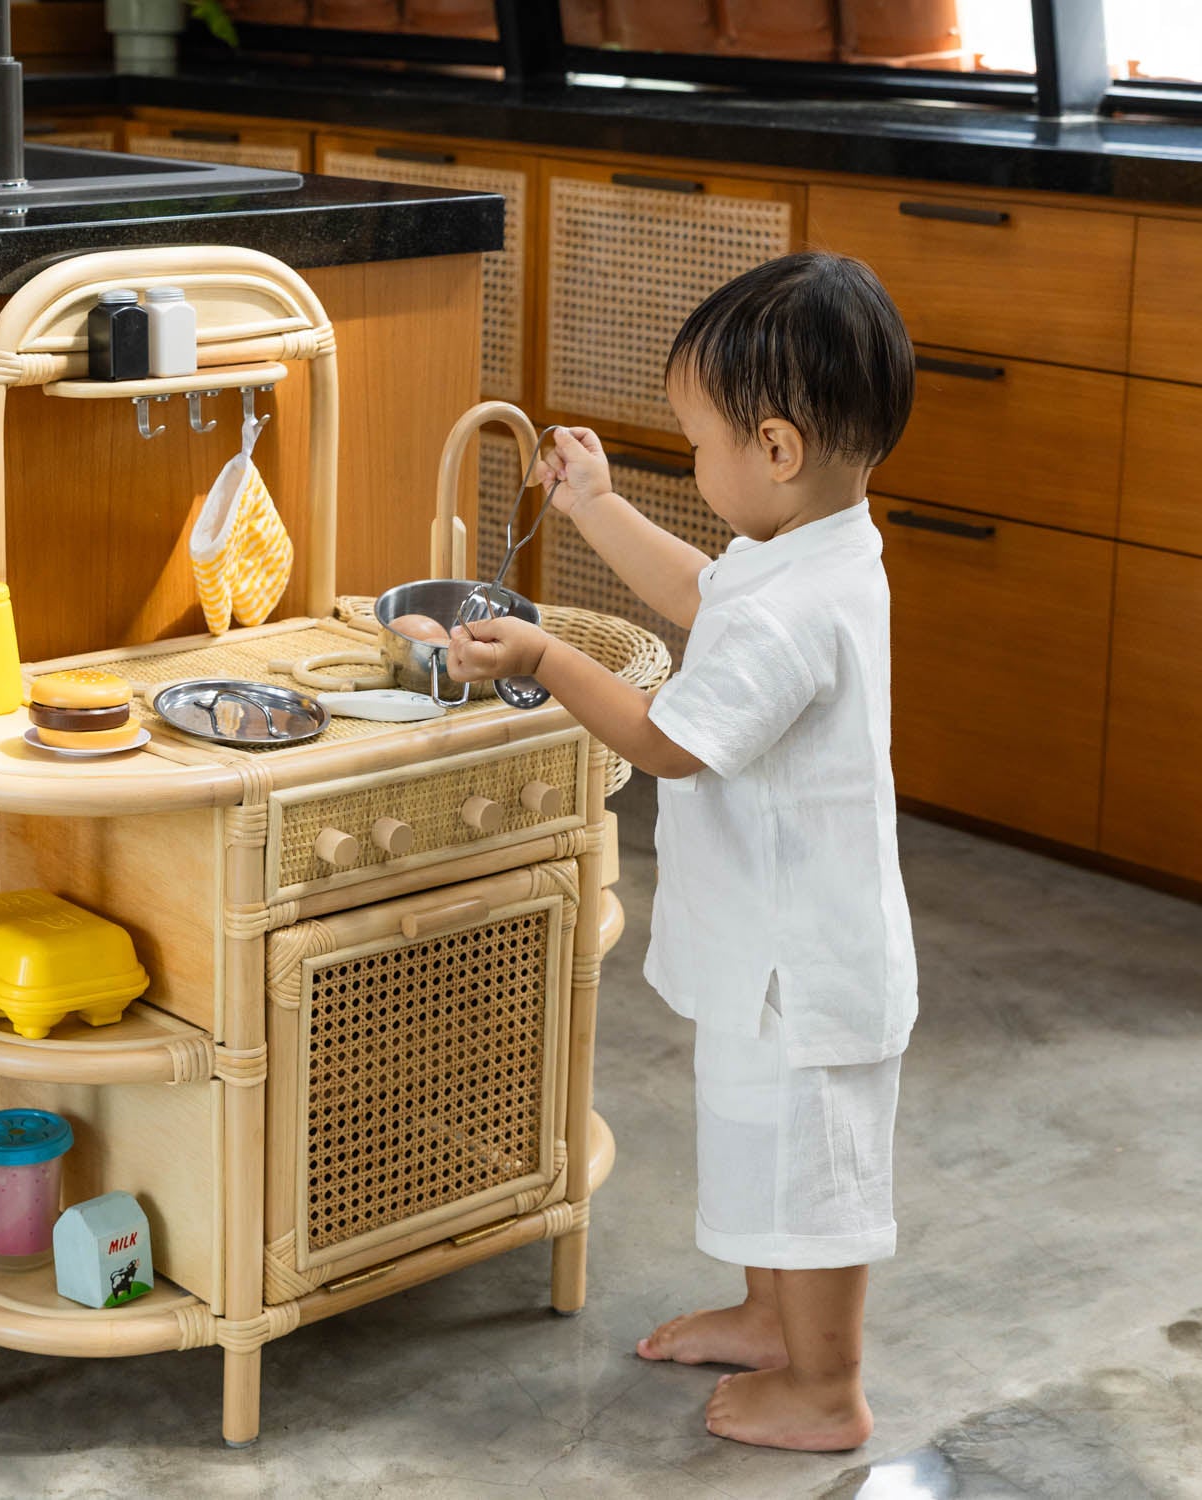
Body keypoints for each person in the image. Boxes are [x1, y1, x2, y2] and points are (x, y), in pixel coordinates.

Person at [447, 252, 919, 1453]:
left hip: (808, 968)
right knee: (762, 1144)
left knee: (814, 1180)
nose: (695, 468)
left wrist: (546, 660)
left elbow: (665, 744)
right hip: (773, 948)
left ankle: (827, 1387)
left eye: (698, 446)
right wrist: (599, 505)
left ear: (775, 450)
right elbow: (711, 595)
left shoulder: (796, 609)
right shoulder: (811, 548)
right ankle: (772, 1322)